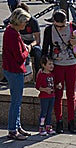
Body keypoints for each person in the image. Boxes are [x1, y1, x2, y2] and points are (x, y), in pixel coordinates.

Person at [42, 10, 76, 134]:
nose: (60, 28)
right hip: (57, 66)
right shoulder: (49, 30)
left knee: (71, 94)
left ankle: (71, 121)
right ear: (53, 22)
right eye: (58, 26)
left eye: (62, 25)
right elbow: (45, 48)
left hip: (71, 65)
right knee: (58, 94)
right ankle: (59, 121)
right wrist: (44, 66)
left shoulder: (72, 27)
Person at [2, 7, 32, 140]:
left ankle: (17, 125)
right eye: (24, 22)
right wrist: (28, 49)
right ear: (19, 21)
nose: (25, 25)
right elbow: (20, 57)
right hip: (15, 70)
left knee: (17, 100)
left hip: (10, 69)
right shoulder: (13, 34)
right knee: (16, 101)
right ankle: (12, 130)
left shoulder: (10, 30)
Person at [35, 55, 60, 136]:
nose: (51, 66)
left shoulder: (52, 75)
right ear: (43, 65)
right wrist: (45, 89)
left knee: (49, 112)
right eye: (49, 64)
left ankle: (48, 126)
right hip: (44, 97)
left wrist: (57, 86)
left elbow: (53, 84)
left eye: (52, 64)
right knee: (44, 113)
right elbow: (37, 86)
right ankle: (41, 127)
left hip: (52, 96)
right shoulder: (41, 74)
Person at [18, 3, 42, 78]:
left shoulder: (33, 21)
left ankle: (37, 74)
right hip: (21, 43)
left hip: (32, 44)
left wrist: (30, 46)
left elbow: (37, 40)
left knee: (38, 52)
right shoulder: (17, 21)